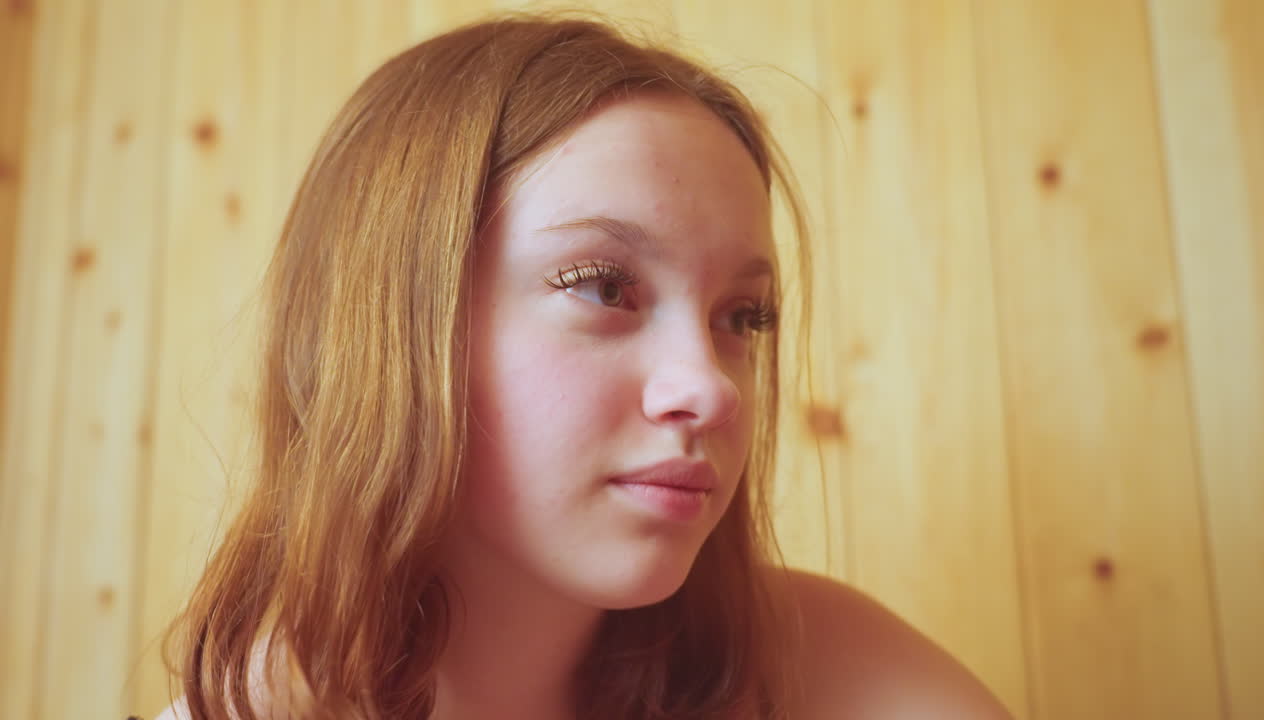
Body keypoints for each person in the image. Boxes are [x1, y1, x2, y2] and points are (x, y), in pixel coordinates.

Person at [154, 12, 1013, 720]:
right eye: (603, 287)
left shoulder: (822, 670)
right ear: (394, 326)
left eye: (741, 318)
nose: (711, 386)